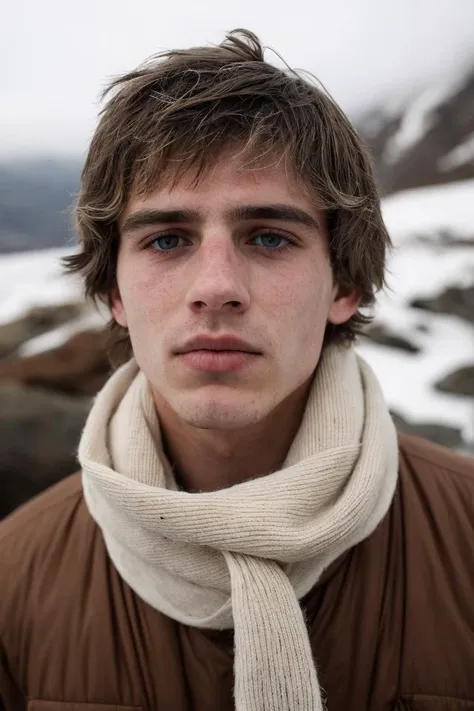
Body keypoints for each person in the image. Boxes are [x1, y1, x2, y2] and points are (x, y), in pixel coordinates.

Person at [0, 29, 473, 711]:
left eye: (269, 236)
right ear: (115, 292)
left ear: (344, 283)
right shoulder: (14, 579)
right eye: (167, 238)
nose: (216, 285)